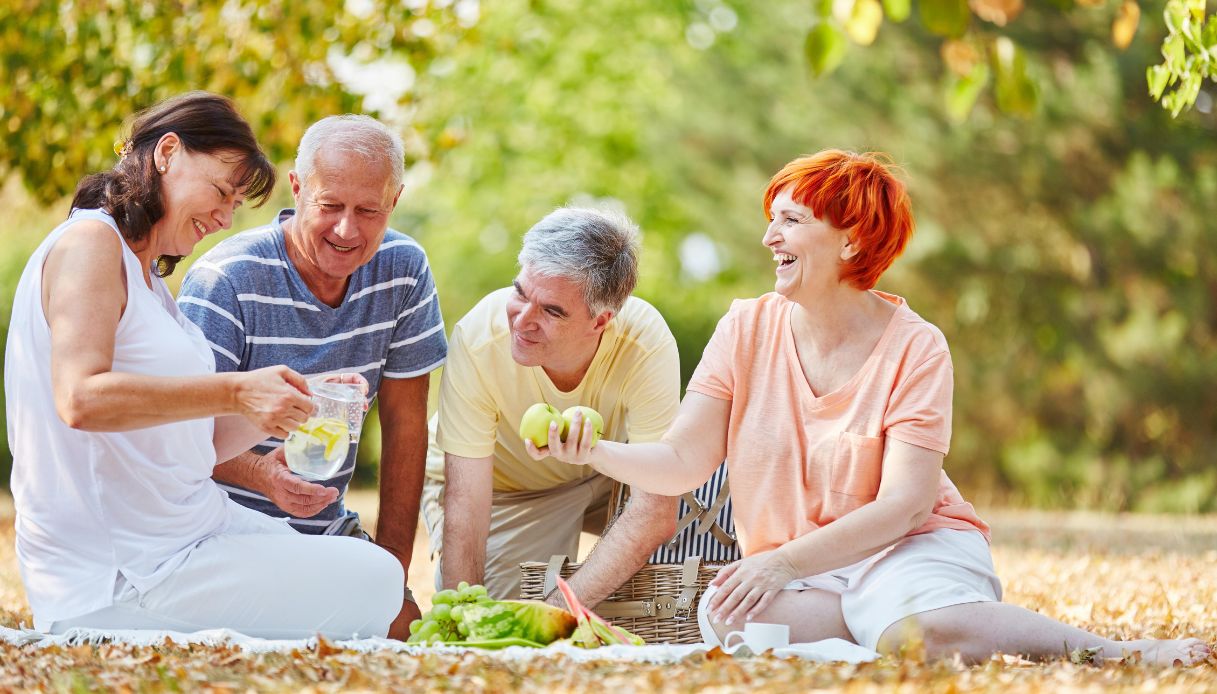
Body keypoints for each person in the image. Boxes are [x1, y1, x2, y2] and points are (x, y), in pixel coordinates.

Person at [531, 150, 1212, 665]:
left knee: (916, 632)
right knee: (728, 620)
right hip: (809, 568)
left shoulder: (916, 346)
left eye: (791, 221)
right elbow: (681, 462)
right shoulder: (746, 326)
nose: (770, 237)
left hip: (905, 547)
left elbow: (906, 505)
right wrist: (591, 450)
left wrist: (780, 565)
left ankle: (1113, 652)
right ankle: (878, 625)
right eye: (771, 220)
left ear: (851, 240)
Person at [5, 92, 403, 638]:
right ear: (167, 152)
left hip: (191, 531)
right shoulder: (89, 244)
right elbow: (80, 398)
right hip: (126, 570)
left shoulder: (148, 279)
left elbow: (194, 443)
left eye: (234, 205)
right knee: (376, 579)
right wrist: (236, 392)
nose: (221, 219)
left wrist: (296, 397)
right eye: (220, 192)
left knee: (374, 578)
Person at [177, 115, 446, 638]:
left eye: (369, 210)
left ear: (394, 201)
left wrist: (390, 571)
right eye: (331, 206)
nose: (348, 230)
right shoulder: (226, 280)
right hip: (218, 533)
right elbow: (179, 439)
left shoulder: (403, 270)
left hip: (323, 528)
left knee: (402, 626)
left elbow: (406, 424)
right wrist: (262, 475)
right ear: (298, 189)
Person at [423, 207, 680, 604]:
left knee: (693, 493)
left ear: (601, 321)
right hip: (504, 489)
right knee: (497, 610)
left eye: (551, 311)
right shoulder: (478, 340)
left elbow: (656, 506)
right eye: (520, 293)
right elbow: (467, 502)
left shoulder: (645, 345)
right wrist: (466, 614)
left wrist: (560, 609)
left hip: (606, 474)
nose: (522, 321)